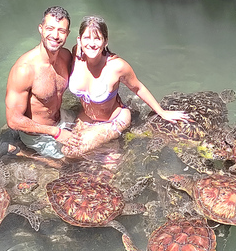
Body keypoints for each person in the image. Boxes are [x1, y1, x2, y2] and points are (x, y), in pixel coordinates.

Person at [65, 15, 189, 155]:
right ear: (79, 40)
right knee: (68, 150)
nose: (91, 43)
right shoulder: (76, 54)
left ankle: (113, 149)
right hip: (86, 117)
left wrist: (161, 112)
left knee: (71, 152)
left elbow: (138, 87)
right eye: (87, 38)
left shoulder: (117, 67)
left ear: (105, 41)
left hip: (113, 120)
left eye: (97, 38)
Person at [3, 6, 82, 159]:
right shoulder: (24, 70)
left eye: (61, 31)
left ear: (68, 34)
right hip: (38, 135)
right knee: (71, 162)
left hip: (61, 117)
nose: (55, 35)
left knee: (94, 131)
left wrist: (80, 50)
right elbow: (13, 120)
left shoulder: (65, 56)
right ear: (41, 29)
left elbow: (85, 75)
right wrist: (56, 132)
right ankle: (20, 151)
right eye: (50, 28)